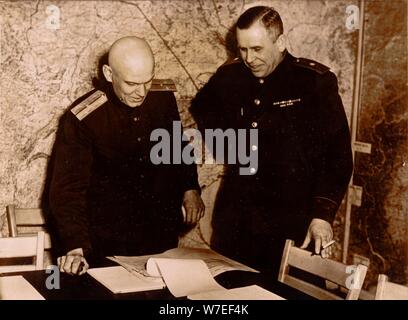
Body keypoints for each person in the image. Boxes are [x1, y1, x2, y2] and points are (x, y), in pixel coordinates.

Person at [190, 6, 353, 278]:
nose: (249, 58)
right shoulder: (231, 75)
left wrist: (322, 215)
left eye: (257, 49)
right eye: (242, 50)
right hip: (237, 223)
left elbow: (338, 157)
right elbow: (202, 107)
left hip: (292, 224)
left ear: (280, 42)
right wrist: (229, 147)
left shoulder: (313, 82)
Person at [49, 36, 205, 275]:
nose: (141, 92)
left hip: (158, 238)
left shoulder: (162, 98)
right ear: (109, 74)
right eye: (132, 83)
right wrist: (75, 247)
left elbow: (176, 146)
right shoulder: (83, 117)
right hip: (105, 243)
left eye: (147, 81)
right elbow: (68, 190)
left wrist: (189, 187)